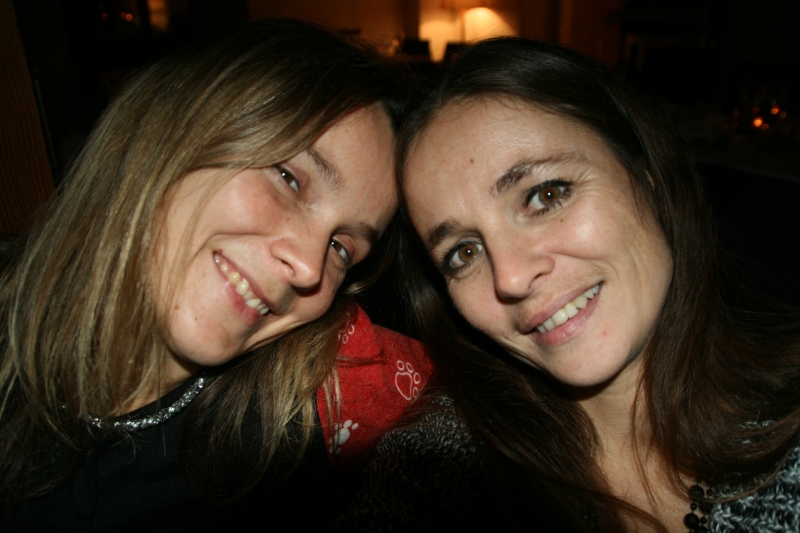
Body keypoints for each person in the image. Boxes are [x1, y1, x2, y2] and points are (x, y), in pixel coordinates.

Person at [0, 19, 432, 532]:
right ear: (171, 126)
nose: (309, 266)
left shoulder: (289, 452)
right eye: (289, 179)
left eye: (342, 247)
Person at [354, 38, 800, 532]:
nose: (512, 277)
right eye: (464, 252)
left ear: (646, 176)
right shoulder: (435, 472)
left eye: (545, 195)